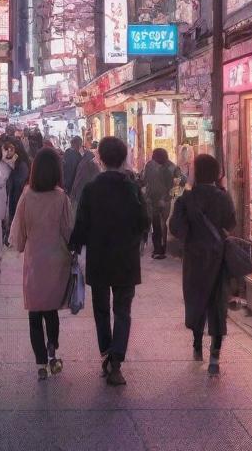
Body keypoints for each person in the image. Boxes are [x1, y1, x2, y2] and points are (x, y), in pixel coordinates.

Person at [69, 136, 149, 387]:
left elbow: (81, 224)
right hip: (125, 259)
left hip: (100, 258)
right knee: (123, 312)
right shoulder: (132, 188)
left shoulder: (92, 189)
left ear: (100, 159)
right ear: (123, 158)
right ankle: (116, 362)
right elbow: (144, 222)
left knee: (102, 311)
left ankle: (106, 356)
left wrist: (73, 247)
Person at [168, 153, 237, 374]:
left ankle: (197, 347)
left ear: (195, 173)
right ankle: (215, 358)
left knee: (196, 301)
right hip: (218, 258)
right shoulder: (223, 197)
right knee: (217, 304)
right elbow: (231, 223)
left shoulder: (186, 198)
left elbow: (176, 229)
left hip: (195, 258)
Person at [9, 148, 73, 380]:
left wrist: (20, 245)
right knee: (51, 311)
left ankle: (40, 364)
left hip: (35, 261)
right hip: (56, 261)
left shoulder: (27, 196)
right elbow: (68, 230)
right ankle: (52, 348)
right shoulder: (61, 198)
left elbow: (19, 233)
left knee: (34, 314)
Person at [141, 148, 184, 260]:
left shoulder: (173, 168)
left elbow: (178, 187)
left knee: (161, 224)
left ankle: (160, 249)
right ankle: (158, 249)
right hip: (152, 200)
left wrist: (167, 199)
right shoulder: (150, 165)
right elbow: (145, 181)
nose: (156, 162)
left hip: (164, 201)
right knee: (156, 224)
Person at [6, 140, 30, 232]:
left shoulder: (21, 165)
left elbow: (19, 184)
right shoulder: (16, 163)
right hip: (15, 198)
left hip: (18, 198)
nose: (8, 152)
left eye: (11, 150)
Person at [68, 140, 100, 211]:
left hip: (82, 195)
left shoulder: (86, 161)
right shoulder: (87, 159)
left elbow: (77, 179)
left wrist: (72, 195)